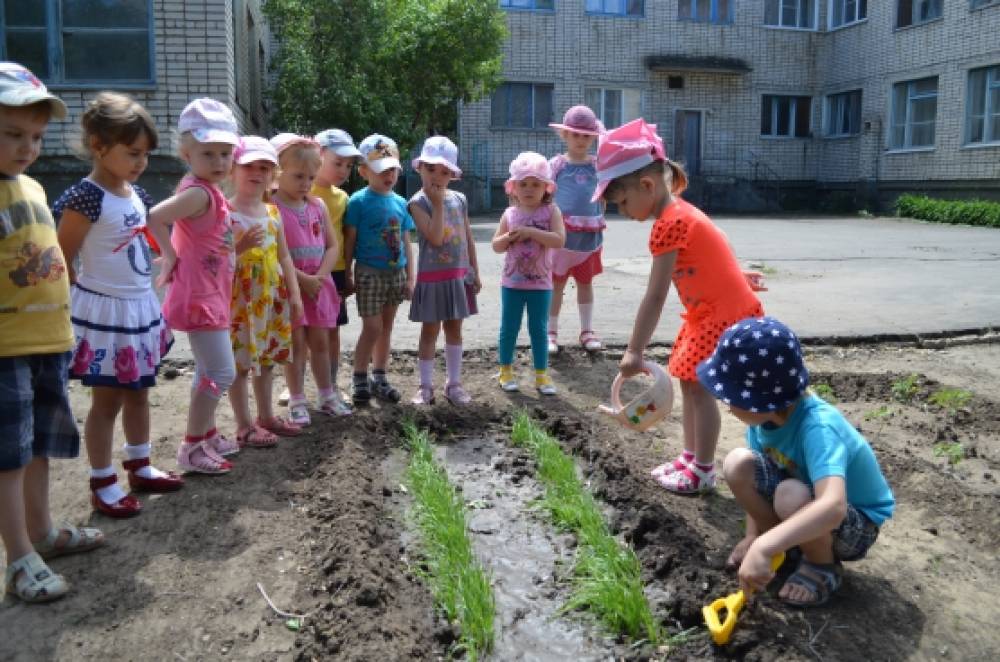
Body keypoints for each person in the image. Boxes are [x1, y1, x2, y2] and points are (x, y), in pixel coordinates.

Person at [593, 118, 766, 494]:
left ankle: (702, 468)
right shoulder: (681, 212)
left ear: (647, 186)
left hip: (717, 314)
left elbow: (655, 295)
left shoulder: (668, 224)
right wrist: (736, 274)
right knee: (690, 384)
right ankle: (691, 458)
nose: (621, 211)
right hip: (710, 309)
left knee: (699, 389)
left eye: (621, 202)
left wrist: (635, 350)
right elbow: (713, 243)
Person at [700, 316, 895, 607]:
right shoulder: (762, 422)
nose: (727, 406)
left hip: (856, 524)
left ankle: (821, 566)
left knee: (790, 494)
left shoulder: (818, 428)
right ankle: (785, 544)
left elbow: (833, 507)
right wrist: (755, 537)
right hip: (803, 498)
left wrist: (766, 547)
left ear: (760, 399)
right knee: (737, 464)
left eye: (731, 397)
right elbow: (760, 473)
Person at [0, 61, 103, 603]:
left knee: (38, 443)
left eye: (36, 137)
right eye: (13, 135)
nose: (28, 147)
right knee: (8, 455)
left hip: (45, 343)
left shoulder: (32, 185)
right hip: (6, 349)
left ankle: (41, 532)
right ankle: (19, 556)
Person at [54, 91, 180, 518]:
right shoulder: (85, 197)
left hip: (139, 308)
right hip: (106, 315)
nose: (141, 162)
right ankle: (102, 481)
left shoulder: (135, 193)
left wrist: (160, 259)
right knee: (106, 402)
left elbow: (138, 242)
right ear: (98, 146)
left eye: (145, 154)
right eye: (132, 153)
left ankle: (140, 464)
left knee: (140, 392)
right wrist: (84, 304)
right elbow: (62, 256)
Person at [147, 98, 243, 475]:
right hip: (201, 296)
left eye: (225, 153)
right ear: (187, 153)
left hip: (209, 292)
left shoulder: (207, 189)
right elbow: (154, 216)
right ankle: (191, 446)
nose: (220, 162)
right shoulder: (200, 192)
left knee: (207, 369)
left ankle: (207, 434)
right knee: (222, 373)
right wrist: (169, 256)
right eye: (209, 153)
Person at [227, 136, 304, 445]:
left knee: (268, 359)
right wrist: (239, 247)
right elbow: (215, 261)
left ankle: (266, 416)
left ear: (273, 175)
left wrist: (295, 294)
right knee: (240, 364)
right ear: (233, 170)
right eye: (249, 166)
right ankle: (244, 426)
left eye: (264, 167)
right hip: (239, 303)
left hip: (271, 298)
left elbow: (284, 255)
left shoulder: (273, 213)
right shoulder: (225, 213)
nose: (256, 173)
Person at [269, 133, 343, 426]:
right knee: (296, 346)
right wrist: (303, 280)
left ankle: (327, 395)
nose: (305, 183)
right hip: (291, 288)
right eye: (298, 176)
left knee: (321, 343)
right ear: (278, 172)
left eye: (311, 177)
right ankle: (297, 399)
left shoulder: (317, 206)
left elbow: (332, 245)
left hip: (318, 287)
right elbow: (274, 255)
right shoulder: (272, 208)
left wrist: (321, 276)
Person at [407, 136, 481, 405]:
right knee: (429, 331)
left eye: (444, 172)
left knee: (454, 329)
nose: (437, 177)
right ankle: (425, 386)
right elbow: (436, 238)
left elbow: (468, 237)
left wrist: (474, 270)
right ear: (420, 169)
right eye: (431, 169)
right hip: (433, 278)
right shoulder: (418, 202)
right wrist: (437, 205)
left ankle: (454, 384)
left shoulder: (459, 199)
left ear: (452, 174)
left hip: (457, 276)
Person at [343, 134, 415, 406]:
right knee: (372, 327)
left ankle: (380, 376)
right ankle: (359, 376)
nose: (389, 175)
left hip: (396, 274)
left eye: (393, 168)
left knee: (386, 328)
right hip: (369, 273)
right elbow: (350, 239)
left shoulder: (400, 202)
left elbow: (407, 241)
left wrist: (411, 278)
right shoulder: (358, 202)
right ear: (363, 171)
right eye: (381, 169)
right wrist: (348, 273)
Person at [491, 152, 565, 395]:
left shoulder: (551, 212)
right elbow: (496, 246)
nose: (529, 190)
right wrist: (509, 236)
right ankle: (505, 370)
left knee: (539, 329)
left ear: (546, 187)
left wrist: (531, 232)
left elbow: (558, 240)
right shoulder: (509, 214)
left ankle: (542, 375)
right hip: (512, 283)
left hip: (541, 284)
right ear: (513, 188)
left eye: (536, 184)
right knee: (509, 327)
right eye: (523, 184)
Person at [304, 128, 361, 413]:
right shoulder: (300, 189)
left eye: (348, 165)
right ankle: (296, 387)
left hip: (334, 273)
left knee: (332, 332)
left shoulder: (342, 199)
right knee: (301, 332)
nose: (343, 170)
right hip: (301, 271)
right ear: (319, 155)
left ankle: (330, 385)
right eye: (337, 162)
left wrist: (348, 272)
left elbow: (345, 238)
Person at [547, 105, 606, 353]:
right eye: (575, 134)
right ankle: (549, 332)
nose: (581, 140)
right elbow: (545, 195)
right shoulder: (557, 165)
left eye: (586, 135)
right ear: (565, 136)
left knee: (585, 283)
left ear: (594, 138)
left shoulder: (598, 166)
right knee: (556, 285)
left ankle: (587, 330)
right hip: (562, 237)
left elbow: (604, 195)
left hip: (589, 238)